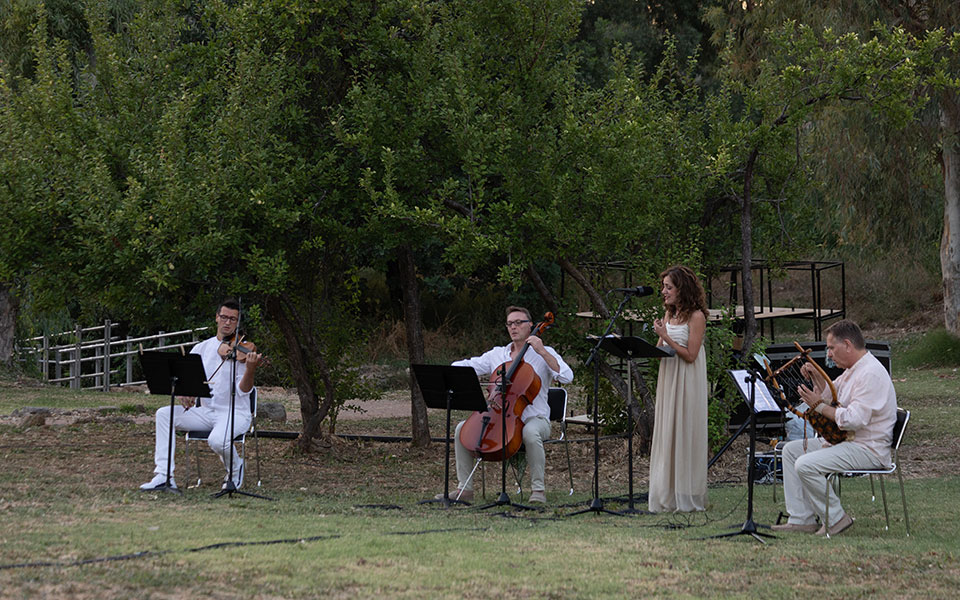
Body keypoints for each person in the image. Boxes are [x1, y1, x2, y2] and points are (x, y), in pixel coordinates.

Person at [771, 319, 897, 536]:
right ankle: (802, 519)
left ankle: (836, 518)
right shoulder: (853, 369)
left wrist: (818, 406)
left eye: (831, 348)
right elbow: (831, 394)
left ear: (847, 345)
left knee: (805, 464)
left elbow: (853, 420)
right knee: (791, 451)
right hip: (849, 442)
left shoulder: (870, 373)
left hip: (868, 449)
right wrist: (816, 375)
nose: (828, 354)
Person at [437, 306, 573, 504]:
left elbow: (567, 377)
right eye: (510, 323)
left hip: (537, 419)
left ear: (531, 326)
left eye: (519, 322)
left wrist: (542, 351)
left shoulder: (544, 353)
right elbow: (467, 365)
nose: (513, 327)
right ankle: (464, 489)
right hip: (500, 415)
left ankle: (538, 490)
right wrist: (448, 370)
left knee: (530, 432)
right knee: (461, 429)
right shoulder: (497, 354)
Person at [140, 299, 264, 491]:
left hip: (235, 413)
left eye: (233, 319)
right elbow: (187, 380)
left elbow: (244, 390)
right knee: (164, 414)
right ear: (217, 318)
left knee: (216, 440)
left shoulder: (243, 352)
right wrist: (184, 392)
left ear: (237, 323)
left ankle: (235, 467)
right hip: (205, 411)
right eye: (224, 317)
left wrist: (250, 369)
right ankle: (164, 476)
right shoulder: (201, 348)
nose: (228, 322)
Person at [649, 265, 709, 512]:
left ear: (681, 289)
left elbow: (691, 355)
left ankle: (687, 494)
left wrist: (667, 336)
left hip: (687, 379)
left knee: (685, 430)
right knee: (668, 432)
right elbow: (661, 351)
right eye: (663, 287)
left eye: (668, 287)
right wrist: (658, 339)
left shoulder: (697, 317)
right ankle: (668, 493)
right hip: (669, 378)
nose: (664, 292)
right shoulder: (669, 315)